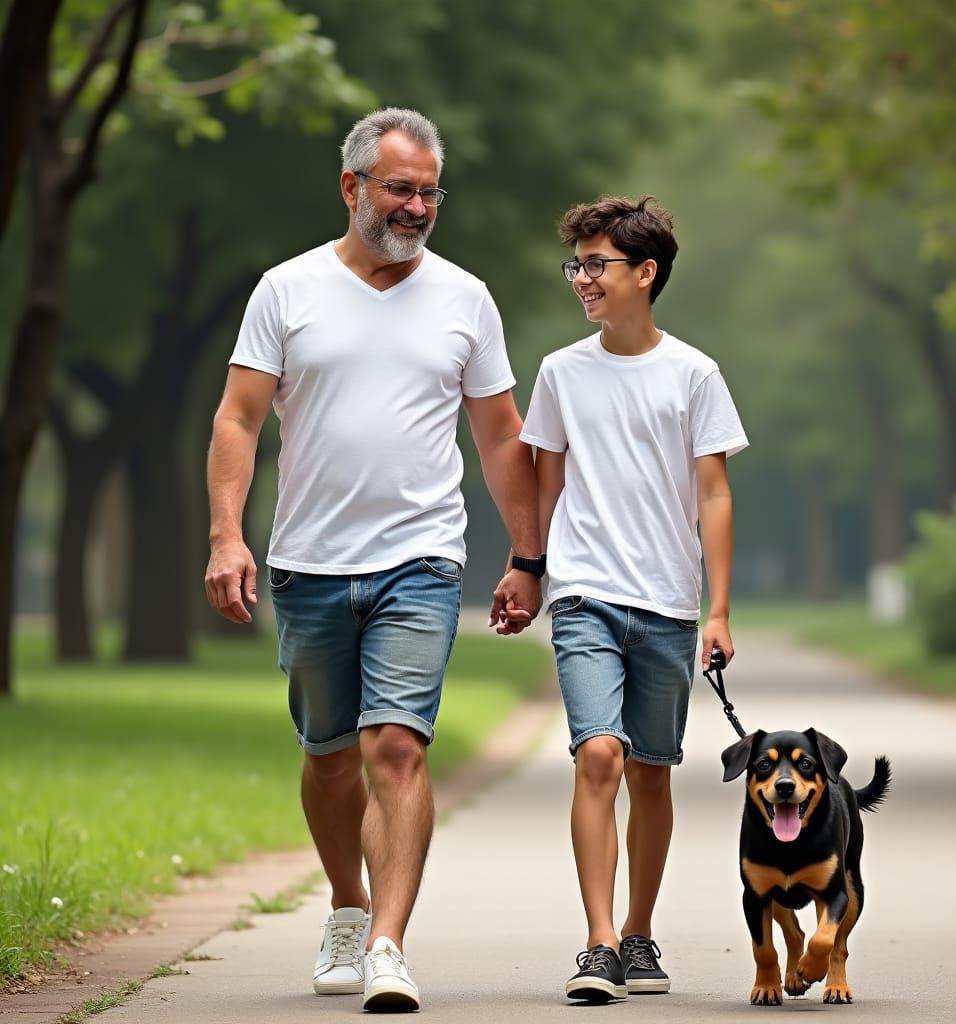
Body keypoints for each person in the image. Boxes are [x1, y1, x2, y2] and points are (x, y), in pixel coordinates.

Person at [204, 107, 543, 1013]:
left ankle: (389, 945)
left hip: (420, 560)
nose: (417, 208)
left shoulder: (466, 298)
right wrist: (228, 535)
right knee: (329, 757)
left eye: (430, 193)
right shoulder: (287, 290)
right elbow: (238, 417)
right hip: (309, 562)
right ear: (351, 185)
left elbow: (500, 435)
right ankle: (348, 906)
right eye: (400, 189)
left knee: (395, 746)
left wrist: (528, 555)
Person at [519, 195, 748, 1003]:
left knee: (652, 773)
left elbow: (713, 495)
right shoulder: (560, 372)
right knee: (598, 755)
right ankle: (600, 941)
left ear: (645, 273)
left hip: (666, 601)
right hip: (585, 592)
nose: (583, 278)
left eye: (597, 264)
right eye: (576, 265)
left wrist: (718, 610)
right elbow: (545, 485)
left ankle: (640, 931)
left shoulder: (694, 374)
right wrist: (529, 569)